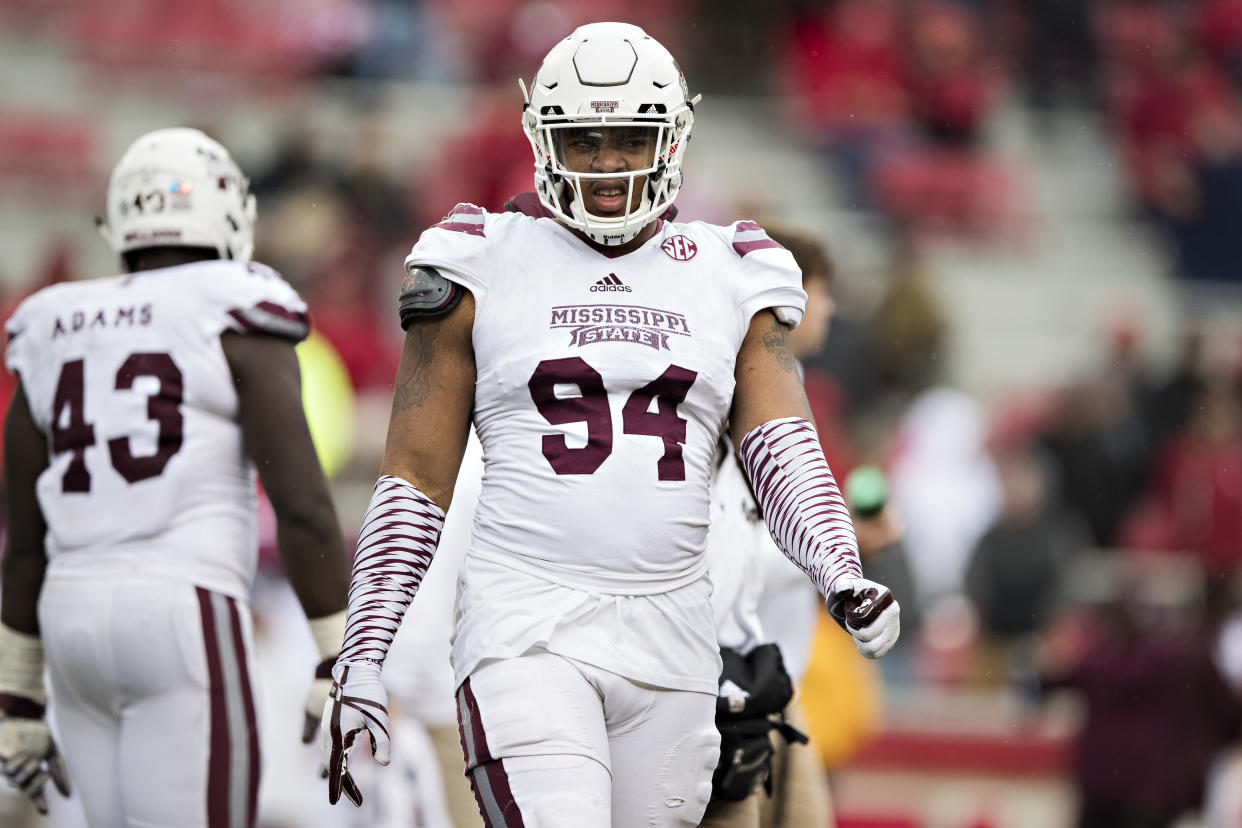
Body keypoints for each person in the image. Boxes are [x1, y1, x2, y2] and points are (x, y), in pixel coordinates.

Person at [320, 22, 901, 828]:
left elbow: (780, 443)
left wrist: (840, 569)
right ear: (539, 137)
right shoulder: (479, 259)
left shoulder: (732, 269)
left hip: (673, 636)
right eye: (582, 138)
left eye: (629, 139)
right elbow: (416, 477)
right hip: (526, 625)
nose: (605, 163)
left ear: (671, 139)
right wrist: (366, 646)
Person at [0, 128, 352, 827]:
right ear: (230, 213)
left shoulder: (51, 322)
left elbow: (25, 541)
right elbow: (304, 505)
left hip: (69, 621)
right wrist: (340, 656)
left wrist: (17, 695)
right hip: (178, 609)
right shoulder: (237, 303)